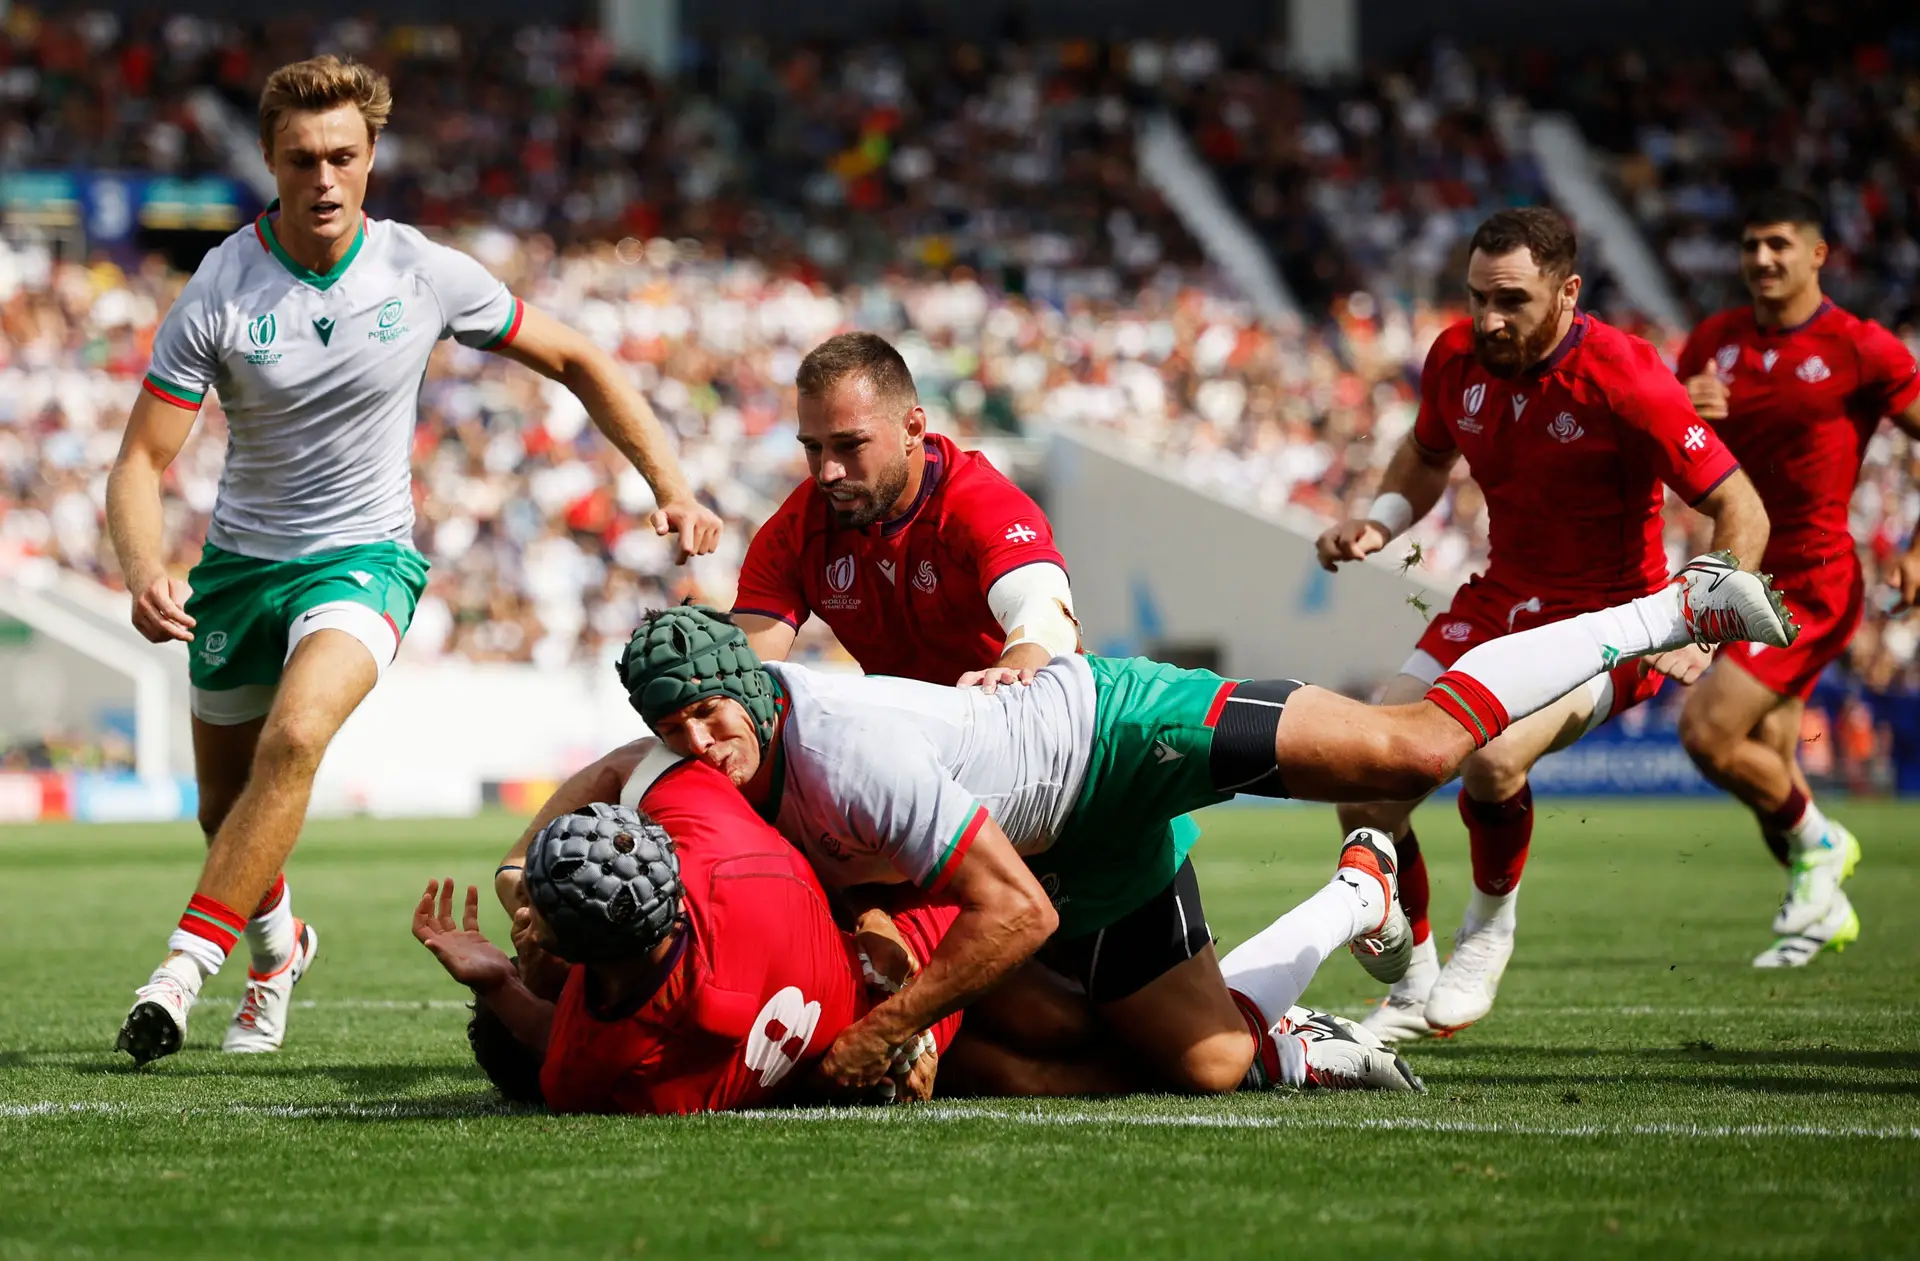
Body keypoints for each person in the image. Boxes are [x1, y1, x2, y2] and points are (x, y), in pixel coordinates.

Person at [110, 55, 722, 1067]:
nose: (324, 179)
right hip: (238, 571)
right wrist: (143, 564)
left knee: (296, 737)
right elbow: (139, 459)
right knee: (228, 810)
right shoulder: (221, 285)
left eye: (343, 156)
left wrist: (673, 485)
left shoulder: (419, 272)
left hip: (363, 560)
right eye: (301, 158)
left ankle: (178, 973)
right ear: (268, 158)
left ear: (372, 156)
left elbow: (578, 357)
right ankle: (280, 946)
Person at [614, 570, 1791, 1096]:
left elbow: (1010, 912)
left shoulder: (840, 745)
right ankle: (1358, 897)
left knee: (1419, 750)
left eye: (714, 706)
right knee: (1207, 1064)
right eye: (677, 725)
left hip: (1116, 733)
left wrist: (887, 1024)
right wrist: (526, 878)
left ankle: (1667, 605)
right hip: (1065, 842)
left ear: (756, 685)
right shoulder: (708, 761)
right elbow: (613, 781)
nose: (701, 738)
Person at [1313, 207, 1772, 1041]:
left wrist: (1701, 625)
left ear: (1568, 294)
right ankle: (1412, 983)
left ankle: (1487, 928)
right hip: (1500, 600)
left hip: (1615, 621)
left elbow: (1740, 505)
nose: (1488, 319)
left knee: (1490, 760)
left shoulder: (1626, 376)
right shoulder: (1456, 357)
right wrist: (1379, 519)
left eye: (1511, 301)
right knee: (1365, 781)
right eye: (1477, 296)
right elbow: (1425, 454)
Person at [1674, 190, 1920, 968]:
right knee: (1769, 768)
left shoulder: (1861, 346)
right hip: (1739, 574)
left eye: (1779, 243)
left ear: (1818, 254)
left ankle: (1825, 844)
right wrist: (1687, 413)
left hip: (1813, 579)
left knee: (1707, 733)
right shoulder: (1713, 342)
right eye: (1750, 245)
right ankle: (1826, 908)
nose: (1762, 259)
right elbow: (1674, 464)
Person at [731, 331, 1079, 688]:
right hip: (915, 735)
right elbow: (745, 677)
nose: (828, 472)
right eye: (813, 448)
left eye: (850, 445)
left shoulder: (980, 503)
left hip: (1026, 722)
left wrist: (1011, 676)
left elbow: (1044, 614)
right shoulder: (797, 528)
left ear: (912, 428)